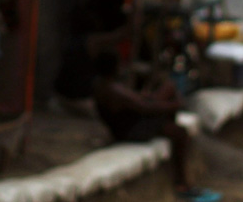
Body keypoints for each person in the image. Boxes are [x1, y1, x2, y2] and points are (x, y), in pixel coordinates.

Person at [91, 50, 221, 202]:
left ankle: (184, 184)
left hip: (132, 124)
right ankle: (182, 184)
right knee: (180, 132)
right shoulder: (112, 89)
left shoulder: (105, 85)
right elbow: (144, 107)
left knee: (169, 88)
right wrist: (174, 105)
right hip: (132, 130)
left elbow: (140, 102)